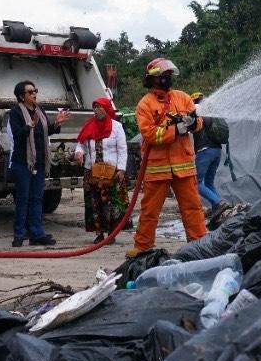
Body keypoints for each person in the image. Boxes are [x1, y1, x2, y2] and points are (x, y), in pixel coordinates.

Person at [128, 58, 207, 257]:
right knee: (150, 211)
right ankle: (142, 248)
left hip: (184, 166)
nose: (168, 79)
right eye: (165, 75)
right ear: (154, 78)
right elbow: (149, 134)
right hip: (158, 168)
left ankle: (200, 246)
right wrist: (175, 130)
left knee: (193, 208)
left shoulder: (182, 98)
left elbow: (199, 123)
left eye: (170, 75)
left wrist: (192, 124)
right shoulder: (145, 104)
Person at [7, 80, 59, 247]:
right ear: (22, 96)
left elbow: (45, 130)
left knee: (37, 198)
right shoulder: (15, 112)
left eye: (35, 90)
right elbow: (16, 135)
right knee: (23, 199)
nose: (34, 94)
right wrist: (29, 126)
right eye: (30, 92)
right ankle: (19, 234)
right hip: (23, 162)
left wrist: (57, 123)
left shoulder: (39, 110)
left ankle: (36, 234)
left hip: (39, 162)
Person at [75, 96, 128, 244]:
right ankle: (99, 233)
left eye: (100, 107)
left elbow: (122, 149)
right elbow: (81, 144)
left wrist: (122, 169)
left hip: (112, 173)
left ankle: (112, 233)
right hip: (92, 172)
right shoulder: (89, 126)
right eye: (95, 107)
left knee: (111, 203)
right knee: (95, 203)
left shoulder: (116, 126)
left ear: (107, 109)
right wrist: (79, 153)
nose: (96, 110)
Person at [189, 91, 226, 219]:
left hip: (205, 151)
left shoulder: (197, 110)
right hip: (217, 151)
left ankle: (218, 202)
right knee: (209, 183)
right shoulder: (211, 112)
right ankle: (220, 207)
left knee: (196, 182)